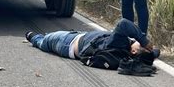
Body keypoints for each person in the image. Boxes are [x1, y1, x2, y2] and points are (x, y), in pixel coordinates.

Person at [25, 18, 159, 76]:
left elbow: (123, 24)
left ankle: (32, 37)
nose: (137, 41)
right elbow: (154, 52)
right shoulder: (125, 54)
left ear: (134, 51)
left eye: (140, 45)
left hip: (67, 42)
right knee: (48, 38)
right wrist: (152, 52)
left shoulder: (120, 44)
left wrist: (144, 40)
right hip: (77, 39)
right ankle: (38, 37)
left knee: (43, 42)